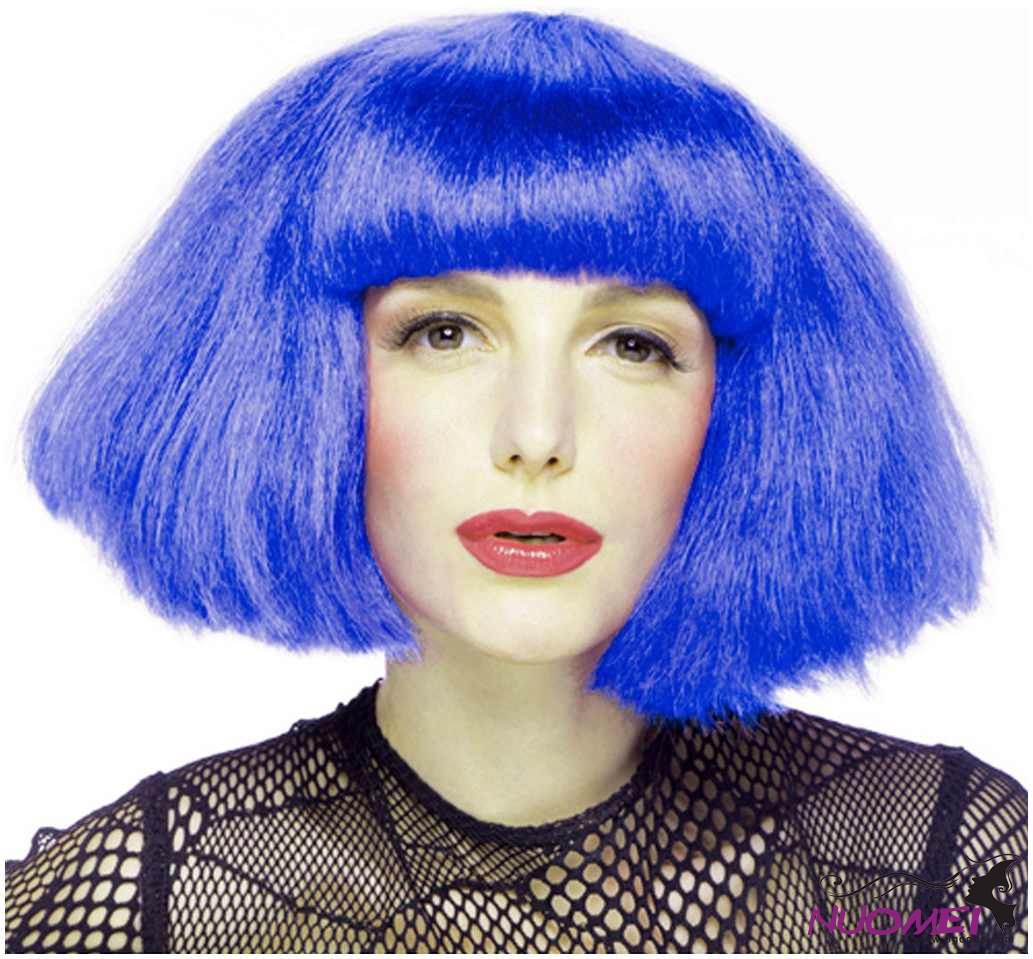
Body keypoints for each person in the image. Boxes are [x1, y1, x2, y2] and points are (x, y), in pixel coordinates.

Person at [4, 11, 1027, 954]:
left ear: (744, 411)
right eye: (444, 333)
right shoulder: (134, 905)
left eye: (632, 345)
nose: (536, 435)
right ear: (297, 385)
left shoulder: (936, 869)